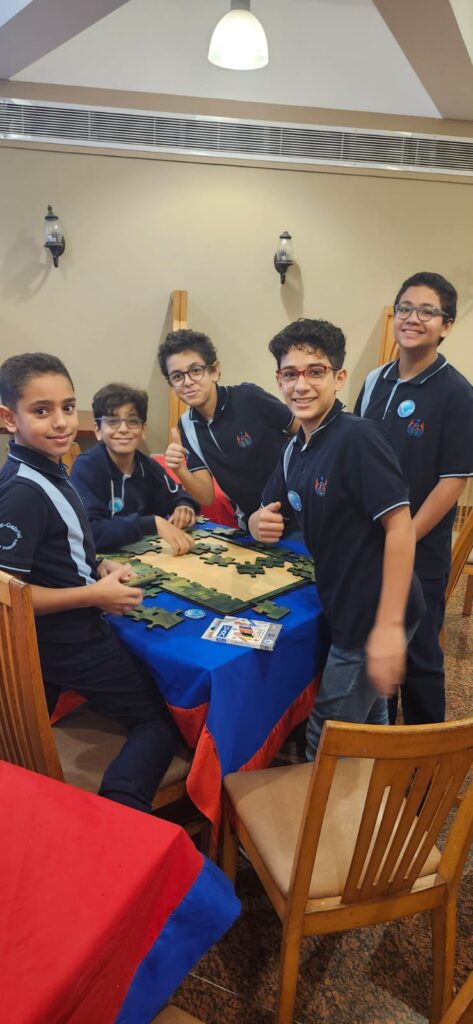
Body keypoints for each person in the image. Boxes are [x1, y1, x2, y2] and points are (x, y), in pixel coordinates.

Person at [0, 352, 178, 814]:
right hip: (70, 640)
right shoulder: (22, 491)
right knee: (159, 723)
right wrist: (94, 594)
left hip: (62, 639)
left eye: (67, 406)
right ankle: (120, 814)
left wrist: (97, 567)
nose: (61, 422)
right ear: (9, 418)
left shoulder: (49, 468)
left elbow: (60, 549)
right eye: (42, 411)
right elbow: (9, 597)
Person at [248, 319, 425, 759]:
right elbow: (267, 509)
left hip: (372, 613)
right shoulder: (294, 449)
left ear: (339, 377)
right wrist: (256, 522)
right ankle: (373, 789)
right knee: (369, 718)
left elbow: (400, 527)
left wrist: (388, 628)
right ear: (278, 380)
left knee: (325, 736)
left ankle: (323, 805)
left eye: (315, 371)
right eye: (290, 374)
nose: (301, 385)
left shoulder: (357, 437)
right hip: (342, 603)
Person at [355, 271, 473, 725]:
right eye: (405, 308)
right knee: (378, 653)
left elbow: (452, 481)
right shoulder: (375, 380)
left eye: (427, 311)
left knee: (419, 658)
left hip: (420, 550)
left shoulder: (457, 393)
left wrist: (402, 538)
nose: (412, 318)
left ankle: (425, 755)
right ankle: (381, 738)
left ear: (446, 326)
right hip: (369, 543)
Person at [157, 328, 299, 531]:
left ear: (214, 371)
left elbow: (303, 433)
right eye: (177, 376)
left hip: (297, 512)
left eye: (195, 371)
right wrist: (179, 469)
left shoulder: (249, 397)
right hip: (252, 524)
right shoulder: (186, 426)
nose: (187, 382)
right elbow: (206, 497)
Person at [71, 382, 198, 553]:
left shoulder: (148, 466)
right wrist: (151, 524)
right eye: (113, 421)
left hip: (145, 559)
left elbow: (177, 494)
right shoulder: (86, 468)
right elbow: (90, 532)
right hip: (100, 562)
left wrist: (184, 506)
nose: (123, 429)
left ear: (143, 429)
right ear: (98, 430)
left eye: (133, 421)